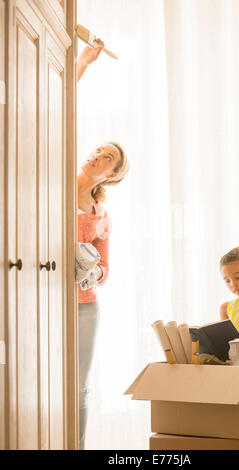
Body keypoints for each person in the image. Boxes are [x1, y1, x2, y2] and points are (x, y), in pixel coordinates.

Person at [76, 43, 129, 450]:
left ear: (111, 176)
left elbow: (106, 272)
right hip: (41, 293)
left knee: (77, 387)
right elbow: (56, 106)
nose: (98, 154)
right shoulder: (53, 176)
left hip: (84, 305)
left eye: (107, 157)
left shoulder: (102, 214)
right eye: (98, 148)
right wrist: (81, 64)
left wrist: (91, 267)